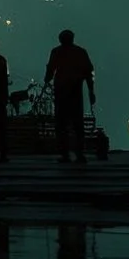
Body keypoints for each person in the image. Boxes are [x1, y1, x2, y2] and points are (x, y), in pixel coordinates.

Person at [45, 30, 96, 164]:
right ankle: (79, 153)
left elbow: (50, 70)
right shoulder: (80, 52)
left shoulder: (56, 52)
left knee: (62, 123)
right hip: (75, 91)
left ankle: (65, 154)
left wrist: (47, 79)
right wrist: (91, 91)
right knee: (77, 123)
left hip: (62, 91)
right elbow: (88, 73)